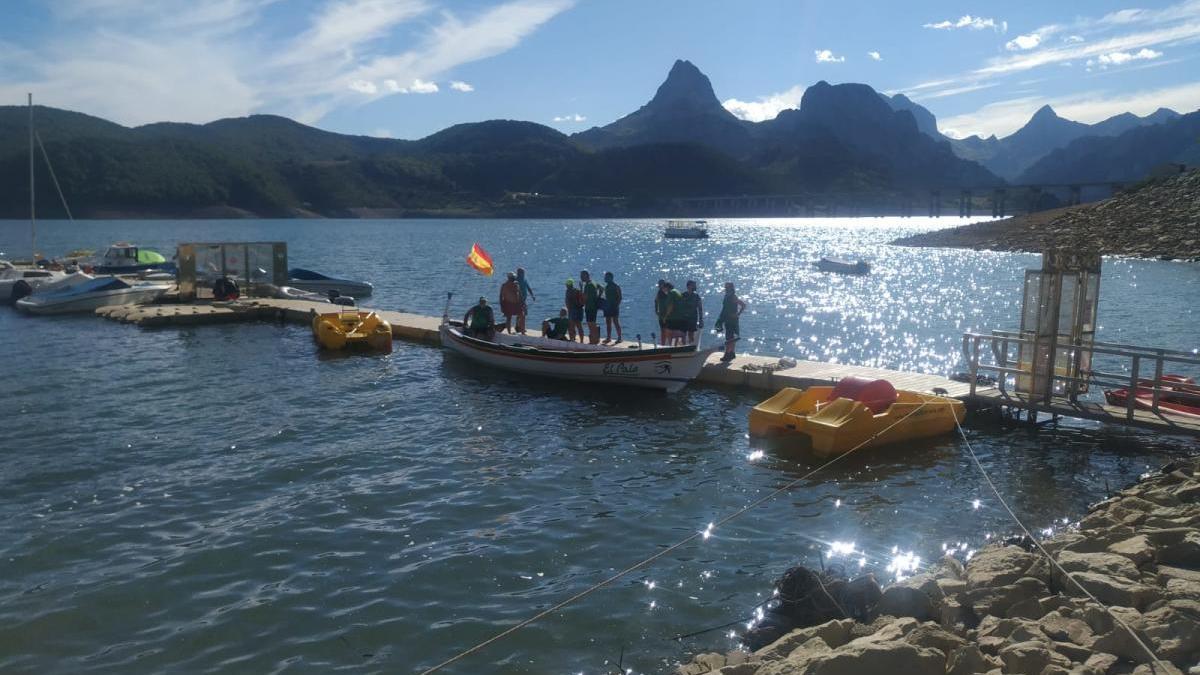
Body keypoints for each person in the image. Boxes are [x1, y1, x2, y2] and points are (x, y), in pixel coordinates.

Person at [715, 282, 746, 362]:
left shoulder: (733, 297)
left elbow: (743, 305)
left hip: (732, 319)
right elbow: (724, 308)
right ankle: (732, 353)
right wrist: (720, 319)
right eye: (725, 287)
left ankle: (727, 354)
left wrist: (738, 314)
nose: (725, 288)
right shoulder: (726, 296)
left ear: (731, 288)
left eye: (727, 287)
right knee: (731, 336)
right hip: (727, 318)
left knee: (730, 337)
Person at [581, 270, 602, 345]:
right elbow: (602, 288)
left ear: (586, 275)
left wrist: (581, 289)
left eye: (582, 276)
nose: (581, 277)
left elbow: (584, 297)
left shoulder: (587, 285)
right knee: (593, 323)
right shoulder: (594, 282)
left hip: (589, 307)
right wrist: (598, 298)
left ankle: (593, 341)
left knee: (591, 324)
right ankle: (596, 339)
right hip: (594, 306)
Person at [680, 279, 704, 344]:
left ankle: (691, 346)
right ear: (689, 286)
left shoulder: (696, 296)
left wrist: (701, 319)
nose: (695, 286)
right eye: (693, 285)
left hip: (693, 318)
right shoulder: (683, 295)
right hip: (684, 318)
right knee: (683, 334)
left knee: (691, 334)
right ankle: (683, 347)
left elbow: (700, 308)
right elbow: (679, 306)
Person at [602, 271, 622, 344]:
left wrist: (617, 305)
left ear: (611, 278)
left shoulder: (616, 286)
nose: (605, 278)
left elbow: (620, 297)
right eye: (605, 277)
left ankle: (619, 338)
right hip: (607, 306)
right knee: (608, 322)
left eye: (606, 277)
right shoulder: (606, 286)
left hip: (614, 306)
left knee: (615, 322)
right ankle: (608, 337)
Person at [515, 267, 535, 334]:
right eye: (522, 272)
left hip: (524, 299)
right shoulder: (516, 280)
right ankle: (519, 327)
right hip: (518, 300)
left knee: (523, 313)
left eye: (523, 272)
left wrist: (532, 295)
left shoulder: (524, 279)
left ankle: (519, 326)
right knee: (521, 313)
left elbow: (528, 288)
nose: (523, 274)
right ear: (518, 273)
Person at [654, 280, 672, 345]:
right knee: (662, 330)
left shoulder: (669, 292)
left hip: (668, 315)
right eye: (659, 285)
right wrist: (656, 310)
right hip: (661, 314)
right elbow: (655, 301)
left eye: (661, 285)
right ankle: (663, 344)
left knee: (668, 330)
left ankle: (670, 344)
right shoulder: (659, 293)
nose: (660, 287)